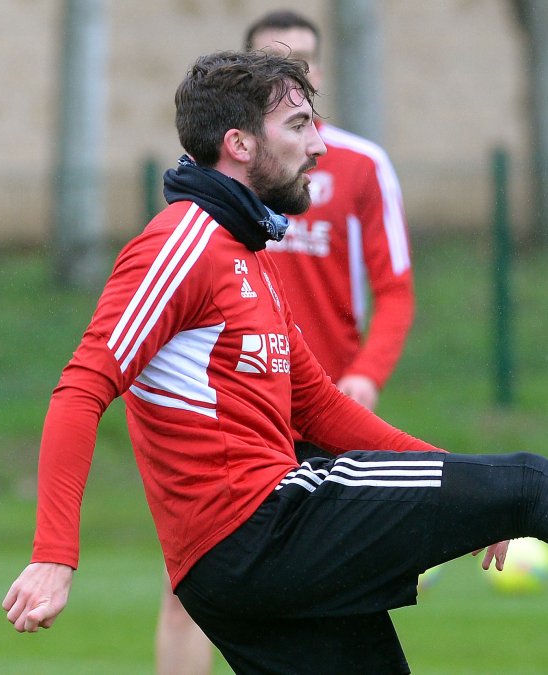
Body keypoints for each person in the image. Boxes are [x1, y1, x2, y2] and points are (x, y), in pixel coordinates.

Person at [3, 49, 548, 675]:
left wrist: (453, 492)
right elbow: (82, 387)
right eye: (300, 124)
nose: (319, 144)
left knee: (501, 492)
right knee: (529, 481)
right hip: (257, 530)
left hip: (243, 571)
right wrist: (54, 555)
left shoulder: (246, 254)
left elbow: (321, 411)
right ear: (238, 144)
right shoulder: (183, 242)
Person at [154, 11, 418, 673]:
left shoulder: (359, 166)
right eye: (278, 61)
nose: (295, 70)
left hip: (326, 408)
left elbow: (396, 290)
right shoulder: (214, 183)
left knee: (338, 594)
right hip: (236, 415)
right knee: (188, 593)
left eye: (305, 59)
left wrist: (367, 373)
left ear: (319, 73)